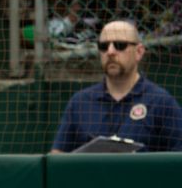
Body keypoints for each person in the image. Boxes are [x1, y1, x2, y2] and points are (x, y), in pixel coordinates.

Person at [51, 19, 182, 152]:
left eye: (120, 45)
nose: (110, 51)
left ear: (139, 52)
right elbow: (58, 156)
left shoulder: (161, 102)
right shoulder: (80, 102)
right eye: (104, 46)